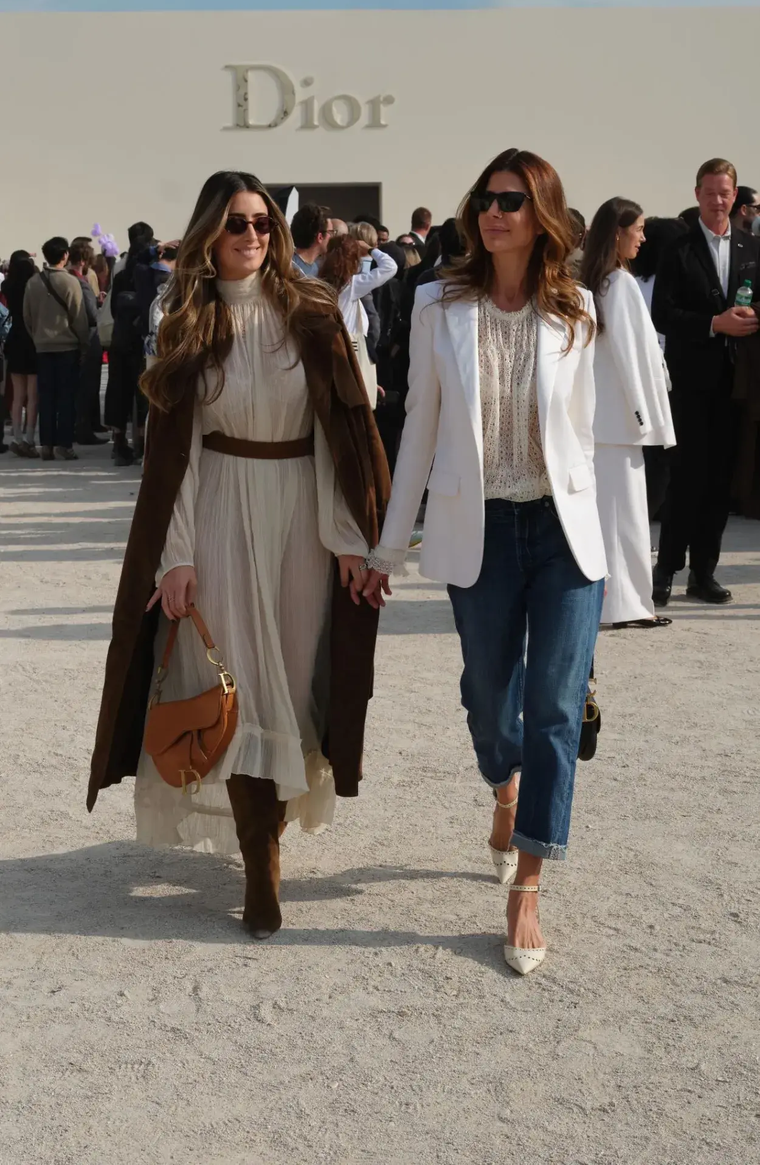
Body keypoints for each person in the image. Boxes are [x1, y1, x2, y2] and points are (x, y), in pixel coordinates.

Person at [87, 170, 390, 940]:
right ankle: (262, 863)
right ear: (208, 237)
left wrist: (349, 538)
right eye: (235, 225)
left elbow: (342, 434)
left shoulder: (316, 313)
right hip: (219, 507)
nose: (252, 235)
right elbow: (174, 451)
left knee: (288, 684)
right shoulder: (185, 321)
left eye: (261, 223)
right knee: (241, 686)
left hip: (299, 515)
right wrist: (176, 555)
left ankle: (270, 837)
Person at [363, 148, 606, 976]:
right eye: (485, 199)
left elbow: (597, 438)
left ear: (541, 212)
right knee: (488, 700)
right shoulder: (438, 304)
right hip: (483, 532)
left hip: (564, 532)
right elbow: (420, 432)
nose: (493, 211)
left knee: (553, 707)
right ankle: (502, 786)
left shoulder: (577, 305)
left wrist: (627, 557)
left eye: (510, 199)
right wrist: (388, 546)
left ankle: (528, 885)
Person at [652, 158, 760, 605]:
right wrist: (714, 323)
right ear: (697, 194)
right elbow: (663, 314)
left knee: (720, 481)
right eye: (711, 192)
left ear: (736, 196)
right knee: (687, 478)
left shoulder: (752, 248)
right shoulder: (677, 248)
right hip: (691, 382)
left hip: (737, 384)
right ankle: (666, 572)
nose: (719, 200)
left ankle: (704, 573)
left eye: (726, 192)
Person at [581, 198, 675, 627]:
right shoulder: (617, 284)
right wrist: (646, 413)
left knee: (620, 516)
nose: (642, 236)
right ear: (617, 232)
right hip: (618, 421)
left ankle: (626, 604)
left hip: (612, 421)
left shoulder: (604, 281)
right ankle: (622, 606)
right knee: (622, 518)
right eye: (636, 228)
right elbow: (630, 354)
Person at [630, 217, 688, 520]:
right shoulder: (672, 284)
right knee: (666, 450)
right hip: (669, 371)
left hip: (641, 375)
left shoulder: (633, 282)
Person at [23, 237, 89, 460]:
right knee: (66, 397)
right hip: (67, 347)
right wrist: (83, 343)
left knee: (46, 397)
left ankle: (47, 445)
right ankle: (64, 444)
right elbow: (79, 317)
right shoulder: (71, 282)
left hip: (42, 347)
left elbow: (27, 317)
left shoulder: (33, 283)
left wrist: (38, 337)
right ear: (65, 256)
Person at [320, 232, 397, 408]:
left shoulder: (318, 283)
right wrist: (370, 249)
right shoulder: (352, 285)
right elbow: (390, 267)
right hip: (351, 356)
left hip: (329, 356)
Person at [104, 222, 154, 466]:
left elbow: (113, 309)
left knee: (118, 391)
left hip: (120, 338)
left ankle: (119, 443)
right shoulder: (150, 272)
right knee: (144, 393)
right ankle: (143, 445)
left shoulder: (120, 271)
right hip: (142, 340)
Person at [68, 239, 107, 445]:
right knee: (88, 387)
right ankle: (83, 429)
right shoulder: (80, 282)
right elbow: (91, 315)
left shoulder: (67, 278)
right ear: (84, 260)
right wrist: (100, 305)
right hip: (88, 338)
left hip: (72, 338)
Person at [2, 250, 39, 457]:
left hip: (14, 339)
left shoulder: (7, 285)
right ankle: (29, 438)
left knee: (17, 394)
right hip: (31, 339)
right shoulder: (33, 287)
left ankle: (16, 436)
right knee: (32, 396)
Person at [290, 203, 332, 277]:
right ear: (320, 237)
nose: (332, 237)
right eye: (331, 232)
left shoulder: (316, 268)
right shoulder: (290, 269)